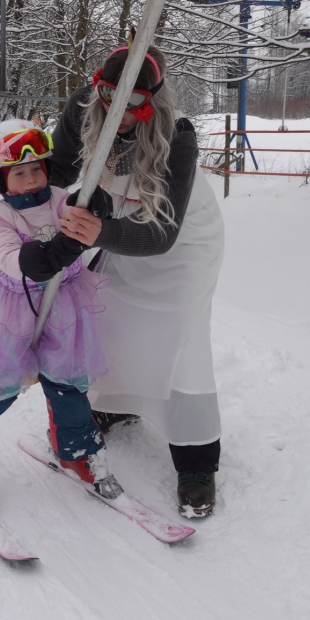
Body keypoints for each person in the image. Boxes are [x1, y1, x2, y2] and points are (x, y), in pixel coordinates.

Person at [52, 45, 225, 517]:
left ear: (154, 101)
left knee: (183, 345)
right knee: (110, 323)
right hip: (119, 231)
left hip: (181, 244)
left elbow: (162, 235)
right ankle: (118, 403)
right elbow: (57, 170)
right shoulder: (83, 107)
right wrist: (19, 184)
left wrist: (98, 232)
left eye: (134, 104)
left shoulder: (177, 135)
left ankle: (196, 462)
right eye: (111, 98)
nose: (120, 112)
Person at [0, 119, 122, 508]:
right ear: (0, 180)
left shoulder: (58, 199)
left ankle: (75, 452)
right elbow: (14, 260)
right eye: (19, 173)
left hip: (64, 306)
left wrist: (95, 204)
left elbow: (76, 208)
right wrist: (45, 255)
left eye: (36, 169)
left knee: (68, 384)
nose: (31, 179)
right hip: (14, 311)